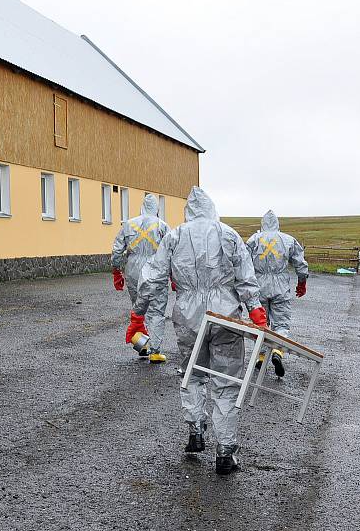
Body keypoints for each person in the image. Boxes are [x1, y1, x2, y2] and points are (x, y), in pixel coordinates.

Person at [131, 186, 267, 475]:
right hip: (225, 316)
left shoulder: (175, 236)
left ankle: (195, 431)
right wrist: (255, 309)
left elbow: (151, 277)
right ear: (212, 208)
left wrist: (138, 313)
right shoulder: (227, 234)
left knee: (192, 373)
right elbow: (245, 276)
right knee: (226, 381)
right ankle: (225, 453)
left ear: (189, 211)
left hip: (189, 315)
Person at [246, 210, 308, 377]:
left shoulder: (254, 239)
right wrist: (302, 283)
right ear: (277, 224)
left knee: (260, 323)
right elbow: (300, 264)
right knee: (281, 323)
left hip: (258, 285)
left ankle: (260, 356)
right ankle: (278, 351)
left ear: (262, 223)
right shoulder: (288, 240)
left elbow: (243, 261)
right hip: (280, 286)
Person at [111, 194, 170, 363]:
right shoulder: (162, 226)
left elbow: (116, 251)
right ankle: (155, 352)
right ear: (156, 208)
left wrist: (117, 271)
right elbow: (172, 250)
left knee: (138, 309)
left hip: (133, 269)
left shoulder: (128, 224)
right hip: (155, 268)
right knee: (157, 310)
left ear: (142, 206)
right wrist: (174, 275)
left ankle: (141, 345)